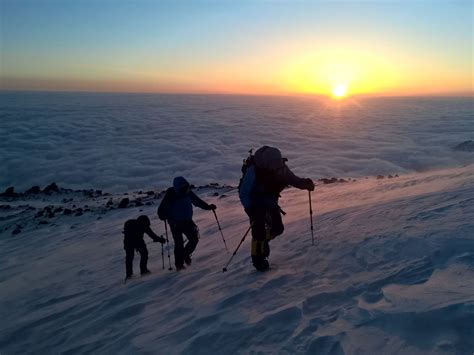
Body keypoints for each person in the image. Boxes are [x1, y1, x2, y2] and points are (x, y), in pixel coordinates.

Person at [239, 146, 314, 271]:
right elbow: (244, 193)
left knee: (278, 229)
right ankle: (258, 260)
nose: (277, 167)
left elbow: (293, 180)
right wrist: (250, 210)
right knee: (259, 233)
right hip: (255, 205)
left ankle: (264, 242)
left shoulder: (281, 168)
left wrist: (305, 184)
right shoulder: (253, 170)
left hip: (271, 203)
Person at [158, 176, 216, 270]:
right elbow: (161, 209)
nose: (185, 190)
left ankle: (185, 255)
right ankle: (179, 265)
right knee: (179, 243)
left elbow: (197, 201)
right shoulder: (171, 195)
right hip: (175, 223)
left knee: (194, 240)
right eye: (183, 188)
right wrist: (162, 215)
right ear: (177, 187)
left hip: (187, 221)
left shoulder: (187, 191)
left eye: (186, 187)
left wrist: (208, 207)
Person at [123, 215, 165, 280]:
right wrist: (160, 240)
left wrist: (159, 239)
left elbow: (151, 234)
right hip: (138, 241)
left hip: (128, 242)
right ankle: (143, 270)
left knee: (129, 258)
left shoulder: (133, 224)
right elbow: (152, 235)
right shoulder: (144, 225)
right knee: (144, 254)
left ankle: (129, 275)